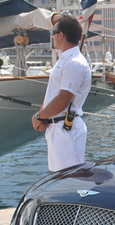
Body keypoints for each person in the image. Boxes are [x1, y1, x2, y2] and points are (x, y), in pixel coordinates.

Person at [31, 15, 91, 172]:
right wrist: (43, 116)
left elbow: (63, 99)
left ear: (61, 35)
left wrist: (39, 116)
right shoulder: (64, 60)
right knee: (59, 180)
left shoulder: (74, 63)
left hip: (66, 130)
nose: (52, 36)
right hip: (58, 128)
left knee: (68, 182)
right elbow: (52, 93)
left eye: (53, 32)